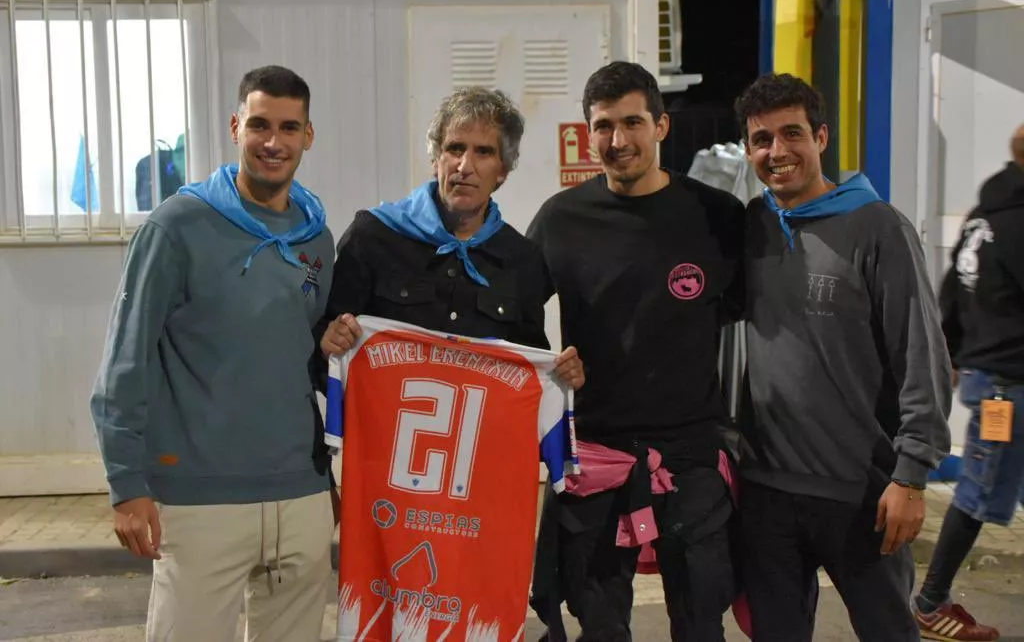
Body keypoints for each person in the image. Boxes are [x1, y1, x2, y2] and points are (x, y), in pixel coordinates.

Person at [90, 65, 337, 642]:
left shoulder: (316, 238)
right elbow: (125, 360)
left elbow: (309, 359)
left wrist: (324, 477)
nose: (273, 142)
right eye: (259, 125)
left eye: (288, 127)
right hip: (199, 498)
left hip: (300, 494)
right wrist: (127, 484)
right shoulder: (177, 226)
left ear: (308, 135)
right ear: (235, 126)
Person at [526, 60, 746, 641]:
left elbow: (768, 317)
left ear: (661, 127)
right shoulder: (561, 220)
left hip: (691, 456)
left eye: (632, 123)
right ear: (586, 132)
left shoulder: (717, 218)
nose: (617, 141)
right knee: (596, 621)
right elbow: (511, 316)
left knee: (701, 621)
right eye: (603, 126)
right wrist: (551, 365)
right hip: (594, 453)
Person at [734, 72, 952, 642]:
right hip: (767, 492)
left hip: (862, 493)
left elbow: (921, 354)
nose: (777, 152)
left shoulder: (878, 227)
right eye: (762, 140)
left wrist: (911, 476)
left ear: (821, 137)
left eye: (792, 134)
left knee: (887, 632)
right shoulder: (752, 228)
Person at [317, 85, 583, 392]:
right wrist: (327, 345)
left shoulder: (523, 260)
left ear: (503, 171)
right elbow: (323, 345)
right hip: (381, 437)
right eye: (455, 148)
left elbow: (528, 375)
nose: (465, 166)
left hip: (482, 440)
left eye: (483, 152)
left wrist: (559, 379)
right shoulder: (373, 236)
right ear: (436, 159)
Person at [911, 124, 1024, 642]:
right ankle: (930, 602)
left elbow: (951, 290)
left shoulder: (986, 216)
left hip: (989, 377)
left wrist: (953, 355)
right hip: (1009, 385)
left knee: (980, 491)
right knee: (977, 495)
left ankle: (931, 600)